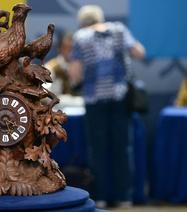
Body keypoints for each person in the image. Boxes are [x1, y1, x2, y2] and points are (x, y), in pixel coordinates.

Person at [69, 5, 145, 208]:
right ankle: (125, 197)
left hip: (94, 100)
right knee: (123, 148)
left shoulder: (81, 36)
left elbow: (75, 72)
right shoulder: (119, 30)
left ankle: (101, 197)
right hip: (120, 97)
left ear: (83, 22)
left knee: (98, 149)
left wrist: (75, 84)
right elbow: (139, 52)